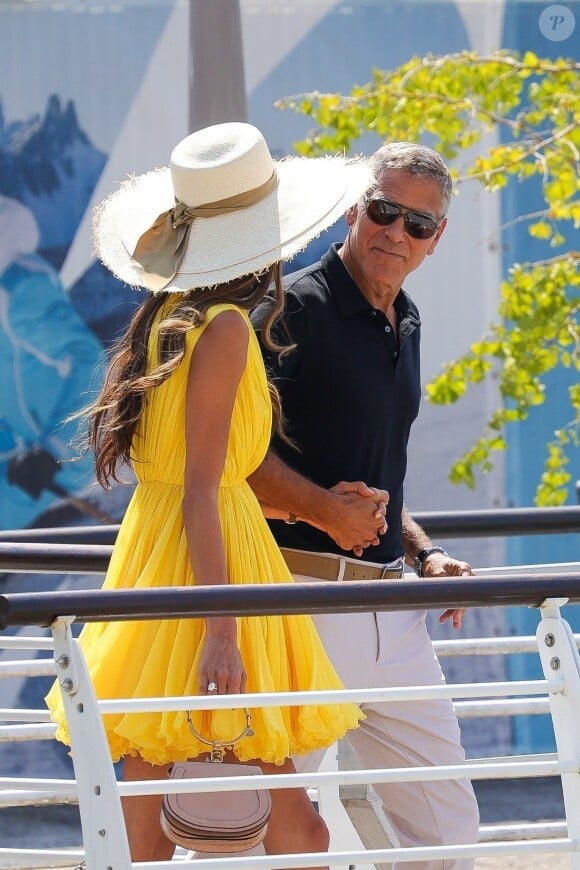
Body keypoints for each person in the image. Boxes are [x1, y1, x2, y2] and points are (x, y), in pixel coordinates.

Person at [45, 121, 392, 867]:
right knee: (292, 819)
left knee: (151, 766)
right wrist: (224, 631)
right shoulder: (228, 326)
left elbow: (193, 478)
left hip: (158, 556)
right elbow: (207, 485)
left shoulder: (164, 321)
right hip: (216, 569)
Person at [249, 141, 481, 869]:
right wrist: (321, 510)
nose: (395, 232)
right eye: (384, 211)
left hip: (395, 612)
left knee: (448, 834)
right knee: (260, 838)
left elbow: (382, 475)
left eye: (418, 223)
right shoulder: (292, 311)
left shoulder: (404, 320)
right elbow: (232, 458)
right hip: (302, 605)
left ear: (436, 238)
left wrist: (425, 551)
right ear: (354, 210)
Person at [0, 194, 102, 530]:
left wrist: (52, 451)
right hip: (21, 466)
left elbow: (92, 363)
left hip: (61, 467)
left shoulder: (20, 294)